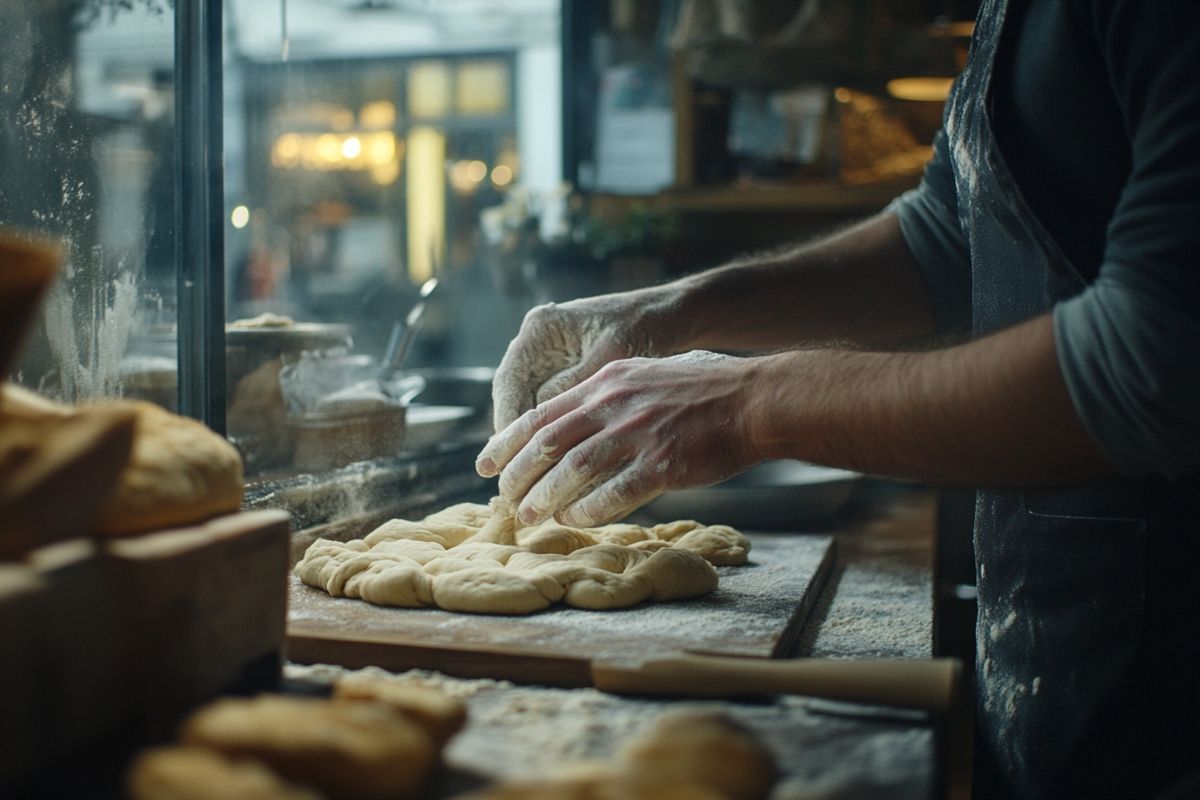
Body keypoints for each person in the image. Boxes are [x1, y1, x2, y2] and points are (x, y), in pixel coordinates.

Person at [476, 2, 1200, 798]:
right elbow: (946, 235)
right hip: (1063, 661)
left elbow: (1153, 359)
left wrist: (745, 402)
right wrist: (676, 308)